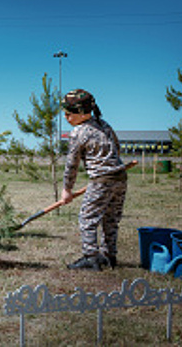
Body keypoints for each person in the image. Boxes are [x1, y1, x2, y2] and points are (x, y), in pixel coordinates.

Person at [60, 89, 127, 271]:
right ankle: (109, 256)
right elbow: (117, 148)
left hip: (101, 179)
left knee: (87, 218)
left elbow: (71, 165)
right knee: (111, 218)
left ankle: (91, 258)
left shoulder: (78, 132)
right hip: (120, 177)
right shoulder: (104, 125)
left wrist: (67, 189)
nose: (66, 117)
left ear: (81, 113)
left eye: (68, 113)